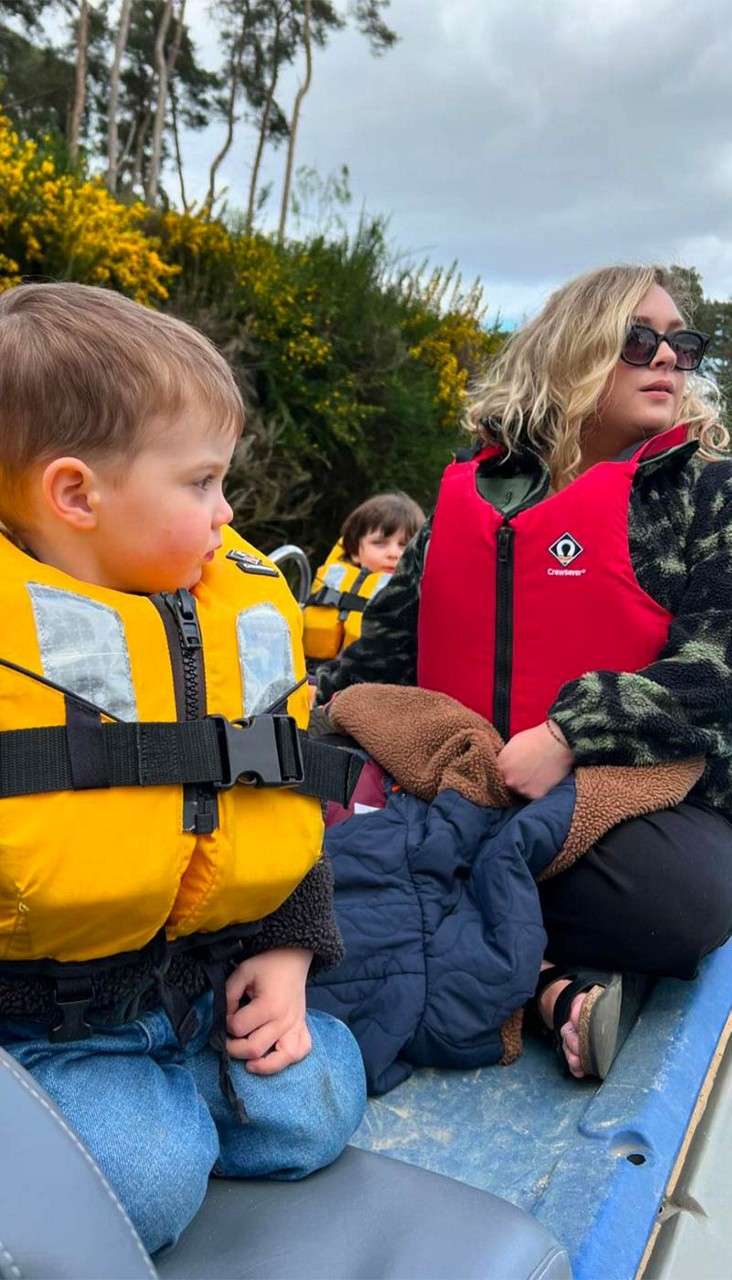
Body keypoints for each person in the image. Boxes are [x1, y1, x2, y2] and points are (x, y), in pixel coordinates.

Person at [0, 282, 366, 1255]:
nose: (228, 509)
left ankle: (171, 1109)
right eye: (201, 481)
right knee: (150, 1176)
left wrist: (289, 953)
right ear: (76, 494)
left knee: (322, 1100)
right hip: (43, 1032)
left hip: (197, 998)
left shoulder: (226, 610)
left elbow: (274, 795)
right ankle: (139, 1125)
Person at [316, 264, 732, 1080]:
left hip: (620, 802)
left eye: (684, 346)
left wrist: (570, 732)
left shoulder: (707, 491)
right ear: (570, 349)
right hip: (455, 782)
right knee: (300, 819)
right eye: (637, 340)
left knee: (683, 905)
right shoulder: (474, 494)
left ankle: (443, 916)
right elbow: (382, 656)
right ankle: (544, 983)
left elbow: (719, 667)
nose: (668, 361)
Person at [303, 491, 424, 661]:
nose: (394, 554)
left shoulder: (418, 593)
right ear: (354, 552)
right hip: (312, 671)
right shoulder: (334, 578)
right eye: (380, 543)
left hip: (375, 680)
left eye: (405, 546)